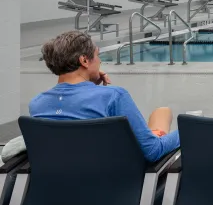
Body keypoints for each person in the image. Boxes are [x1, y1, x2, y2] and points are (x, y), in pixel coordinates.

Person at [29, 30, 180, 162]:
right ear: (84, 60)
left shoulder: (37, 104)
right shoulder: (113, 96)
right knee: (163, 114)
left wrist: (89, 84)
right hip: (116, 184)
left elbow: (74, 111)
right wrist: (186, 134)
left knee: (162, 112)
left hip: (61, 184)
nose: (100, 61)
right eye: (97, 55)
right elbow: (152, 151)